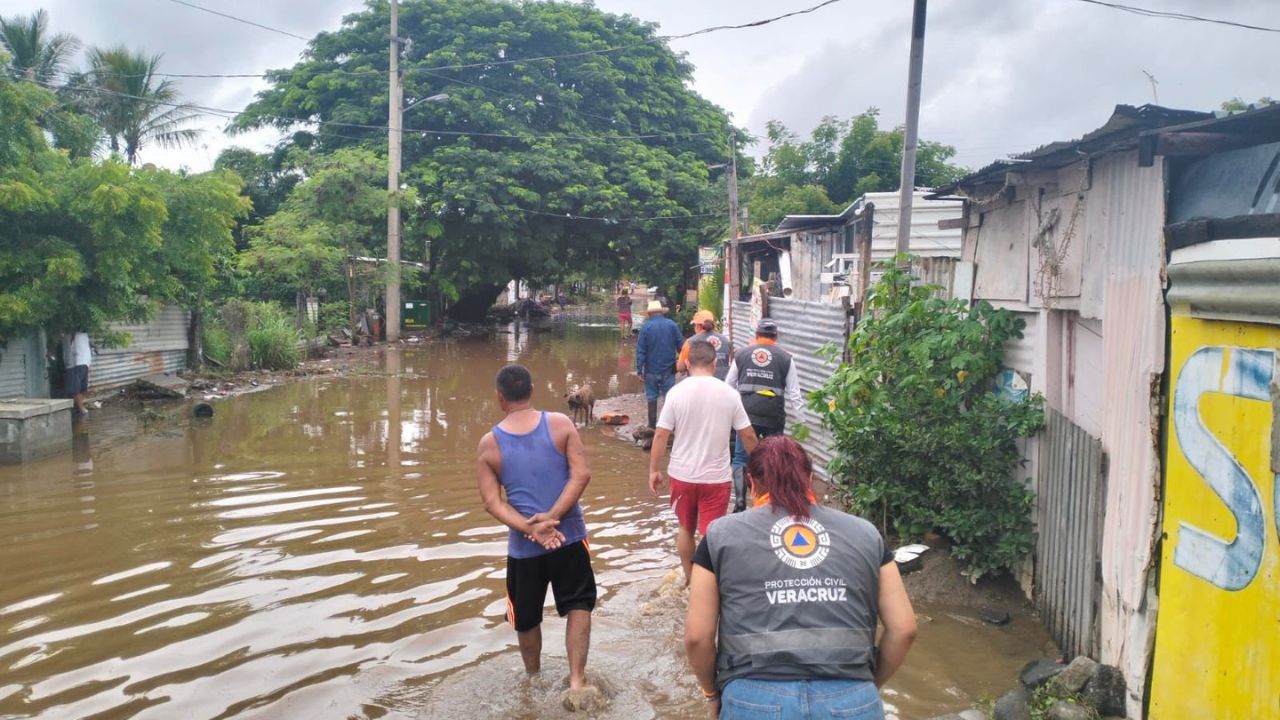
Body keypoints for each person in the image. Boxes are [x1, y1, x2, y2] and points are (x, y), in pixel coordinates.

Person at [684, 437, 917, 719]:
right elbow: (904, 629)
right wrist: (865, 687)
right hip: (853, 698)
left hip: (753, 700)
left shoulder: (720, 535)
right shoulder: (866, 534)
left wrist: (712, 695)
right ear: (809, 477)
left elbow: (698, 637)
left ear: (751, 482)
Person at [476, 364, 596, 691]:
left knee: (526, 617)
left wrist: (533, 529)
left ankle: (533, 681)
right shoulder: (560, 423)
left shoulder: (490, 443)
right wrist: (553, 518)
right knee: (578, 604)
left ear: (500, 398)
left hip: (524, 548)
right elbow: (581, 474)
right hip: (569, 537)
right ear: (532, 389)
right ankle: (576, 681)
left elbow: (492, 503)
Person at [649, 340, 758, 584]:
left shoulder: (676, 392)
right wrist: (762, 470)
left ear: (687, 363)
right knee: (711, 533)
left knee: (686, 528)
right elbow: (748, 435)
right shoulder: (729, 393)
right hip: (716, 478)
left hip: (682, 475)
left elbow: (660, 434)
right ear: (715, 363)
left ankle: (689, 579)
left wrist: (654, 470)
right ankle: (706, 583)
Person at [724, 319, 803, 512]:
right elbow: (794, 392)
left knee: (741, 458)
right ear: (775, 337)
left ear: (756, 335)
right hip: (773, 413)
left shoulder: (741, 354)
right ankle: (772, 501)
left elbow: (728, 384)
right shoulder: (786, 357)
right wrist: (802, 421)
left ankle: (741, 501)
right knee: (773, 456)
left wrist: (728, 413)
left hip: (746, 413)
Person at [634, 300, 683, 429]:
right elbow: (682, 347)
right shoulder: (672, 325)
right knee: (670, 397)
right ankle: (670, 427)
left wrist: (639, 370)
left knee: (651, 397)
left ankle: (651, 427)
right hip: (669, 369)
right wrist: (682, 364)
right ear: (661, 312)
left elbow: (641, 351)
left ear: (649, 314)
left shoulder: (646, 327)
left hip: (650, 369)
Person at [675, 310, 733, 381]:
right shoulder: (726, 341)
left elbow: (680, 367)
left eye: (694, 325)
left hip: (698, 384)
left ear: (698, 326)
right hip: (722, 383)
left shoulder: (690, 342)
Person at [61, 330, 92, 417]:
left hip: (75, 363)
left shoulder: (70, 334)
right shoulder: (84, 334)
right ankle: (81, 408)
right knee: (80, 388)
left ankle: (82, 410)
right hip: (85, 361)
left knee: (75, 389)